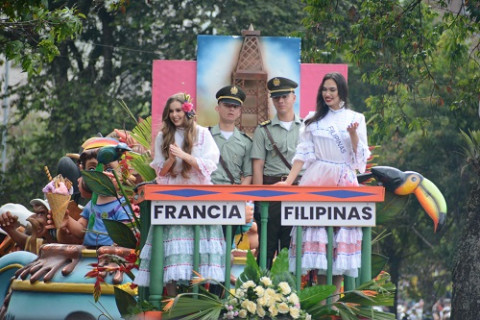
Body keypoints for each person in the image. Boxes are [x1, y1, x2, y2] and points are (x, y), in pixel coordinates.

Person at [276, 72, 370, 296]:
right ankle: (318, 302)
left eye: (332, 90)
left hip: (344, 181)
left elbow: (360, 162)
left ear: (341, 92)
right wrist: (289, 182)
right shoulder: (312, 120)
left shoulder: (355, 117)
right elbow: (303, 154)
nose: (327, 94)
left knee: (339, 245)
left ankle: (334, 303)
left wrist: (353, 135)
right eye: (324, 90)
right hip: (317, 179)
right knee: (318, 241)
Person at [134, 92, 224, 296]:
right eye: (171, 111)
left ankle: (198, 301)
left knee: (200, 249)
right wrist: (170, 162)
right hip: (172, 198)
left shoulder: (202, 133)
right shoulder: (163, 136)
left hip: (200, 198)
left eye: (178, 110)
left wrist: (185, 156)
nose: (175, 115)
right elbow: (160, 174)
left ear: (187, 111)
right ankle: (172, 302)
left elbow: (210, 165)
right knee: (172, 250)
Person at [250, 77, 303, 269]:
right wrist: (258, 200)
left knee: (293, 248)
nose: (281, 101)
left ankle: (292, 296)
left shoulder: (306, 128)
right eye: (276, 97)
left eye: (285, 96)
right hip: (271, 193)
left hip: (299, 192)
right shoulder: (263, 130)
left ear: (293, 97)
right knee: (267, 247)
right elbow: (257, 167)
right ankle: (261, 295)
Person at [210, 85, 256, 285]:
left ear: (240, 111)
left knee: (226, 244)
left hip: (232, 198)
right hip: (207, 197)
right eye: (227, 105)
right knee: (207, 244)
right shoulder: (205, 136)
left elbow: (248, 174)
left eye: (235, 107)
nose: (231, 110)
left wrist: (238, 195)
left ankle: (221, 291)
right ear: (217, 107)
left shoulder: (245, 142)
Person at [53, 139, 133, 248]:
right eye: (92, 169)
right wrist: (68, 220)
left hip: (110, 256)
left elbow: (125, 235)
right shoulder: (91, 205)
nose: (100, 173)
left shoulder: (122, 205)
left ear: (123, 172)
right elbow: (81, 230)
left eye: (109, 169)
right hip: (88, 254)